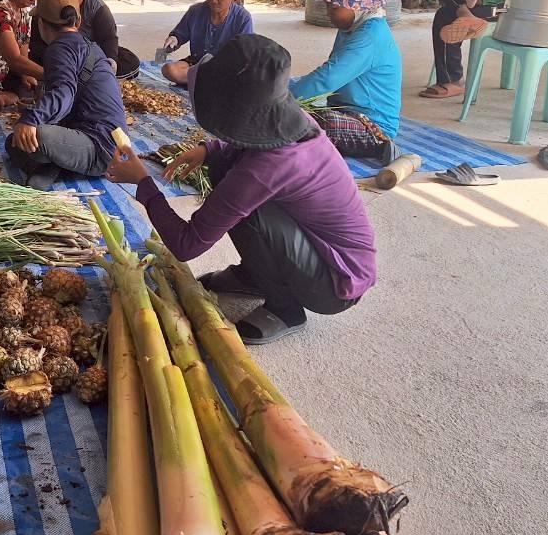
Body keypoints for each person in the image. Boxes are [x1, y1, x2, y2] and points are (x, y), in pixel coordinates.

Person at [107, 34, 375, 344]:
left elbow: (186, 245)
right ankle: (257, 275)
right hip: (319, 251)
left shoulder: (267, 168)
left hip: (335, 284)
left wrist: (143, 183)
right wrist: (209, 149)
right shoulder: (291, 120)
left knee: (250, 205)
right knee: (225, 169)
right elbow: (249, 144)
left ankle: (286, 308)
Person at [7, 0, 127, 190]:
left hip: (102, 148)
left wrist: (31, 119)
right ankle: (58, 166)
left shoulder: (58, 49)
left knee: (25, 139)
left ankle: (53, 167)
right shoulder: (86, 44)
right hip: (116, 142)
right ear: (78, 21)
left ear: (42, 24)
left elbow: (64, 94)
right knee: (20, 141)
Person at [294, 0, 402, 164]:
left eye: (333, 7)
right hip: (343, 110)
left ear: (356, 4)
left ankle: (380, 147)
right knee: (300, 108)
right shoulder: (350, 28)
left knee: (320, 123)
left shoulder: (371, 36)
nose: (328, 13)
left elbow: (327, 78)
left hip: (372, 125)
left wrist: (284, 102)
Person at [159, 0, 254, 84]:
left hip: (225, 69)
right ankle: (206, 83)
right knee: (169, 70)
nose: (213, 0)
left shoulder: (243, 18)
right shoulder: (195, 11)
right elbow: (179, 35)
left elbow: (245, 57)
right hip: (197, 65)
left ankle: (202, 83)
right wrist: (174, 39)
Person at [31, 0, 125, 75]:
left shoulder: (97, 8)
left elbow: (109, 39)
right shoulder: (45, 6)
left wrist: (109, 66)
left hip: (88, 64)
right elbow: (35, 44)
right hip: (53, 62)